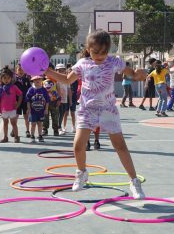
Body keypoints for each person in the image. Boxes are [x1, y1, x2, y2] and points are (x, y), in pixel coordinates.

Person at [45, 29, 145, 199]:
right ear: (88, 48)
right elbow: (67, 80)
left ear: (109, 50)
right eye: (96, 51)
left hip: (108, 110)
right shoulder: (82, 64)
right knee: (78, 145)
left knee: (120, 146)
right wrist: (47, 71)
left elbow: (133, 74)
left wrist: (139, 75)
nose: (100, 55)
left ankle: (134, 181)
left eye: (104, 52)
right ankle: (82, 173)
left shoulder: (115, 62)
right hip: (87, 110)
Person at [0, 67, 23, 143]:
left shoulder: (14, 87)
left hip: (12, 109)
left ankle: (16, 137)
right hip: (4, 109)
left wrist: (18, 104)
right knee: (5, 124)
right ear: (1, 79)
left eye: (8, 78)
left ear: (11, 78)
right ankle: (5, 137)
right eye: (4, 78)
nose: (6, 80)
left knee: (13, 123)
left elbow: (21, 95)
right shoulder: (0, 88)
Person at [26, 75, 50, 143]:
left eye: (39, 79)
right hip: (33, 111)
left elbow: (47, 101)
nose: (37, 81)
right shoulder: (31, 90)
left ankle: (40, 135)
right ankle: (32, 135)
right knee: (33, 124)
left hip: (41, 111)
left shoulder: (44, 90)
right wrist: (28, 108)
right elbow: (28, 100)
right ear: (33, 81)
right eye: (35, 80)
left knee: (40, 124)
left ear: (42, 80)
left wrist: (46, 109)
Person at [13, 64, 32, 138]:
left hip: (25, 101)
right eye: (19, 70)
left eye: (22, 70)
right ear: (16, 71)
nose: (21, 71)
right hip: (17, 101)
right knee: (15, 116)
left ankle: (27, 130)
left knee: (26, 116)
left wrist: (29, 100)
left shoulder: (27, 79)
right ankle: (14, 130)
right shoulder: (14, 80)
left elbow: (30, 90)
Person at [43, 67, 61, 136]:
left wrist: (59, 99)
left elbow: (59, 91)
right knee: (45, 116)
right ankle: (45, 129)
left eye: (50, 71)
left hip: (54, 102)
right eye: (47, 72)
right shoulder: (43, 81)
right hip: (45, 102)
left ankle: (55, 129)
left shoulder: (56, 81)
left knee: (55, 116)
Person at [55, 63, 71, 135]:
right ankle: (57, 128)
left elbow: (69, 89)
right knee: (57, 114)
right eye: (59, 70)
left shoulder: (67, 78)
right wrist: (58, 98)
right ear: (56, 70)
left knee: (62, 114)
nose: (61, 71)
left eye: (63, 70)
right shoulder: (55, 79)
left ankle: (59, 127)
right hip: (57, 99)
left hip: (64, 99)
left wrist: (70, 100)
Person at [67, 63, 78, 133]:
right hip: (65, 98)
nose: (70, 73)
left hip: (73, 98)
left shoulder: (76, 80)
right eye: (69, 72)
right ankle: (62, 127)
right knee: (64, 114)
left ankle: (73, 126)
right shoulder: (65, 79)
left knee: (72, 113)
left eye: (71, 71)